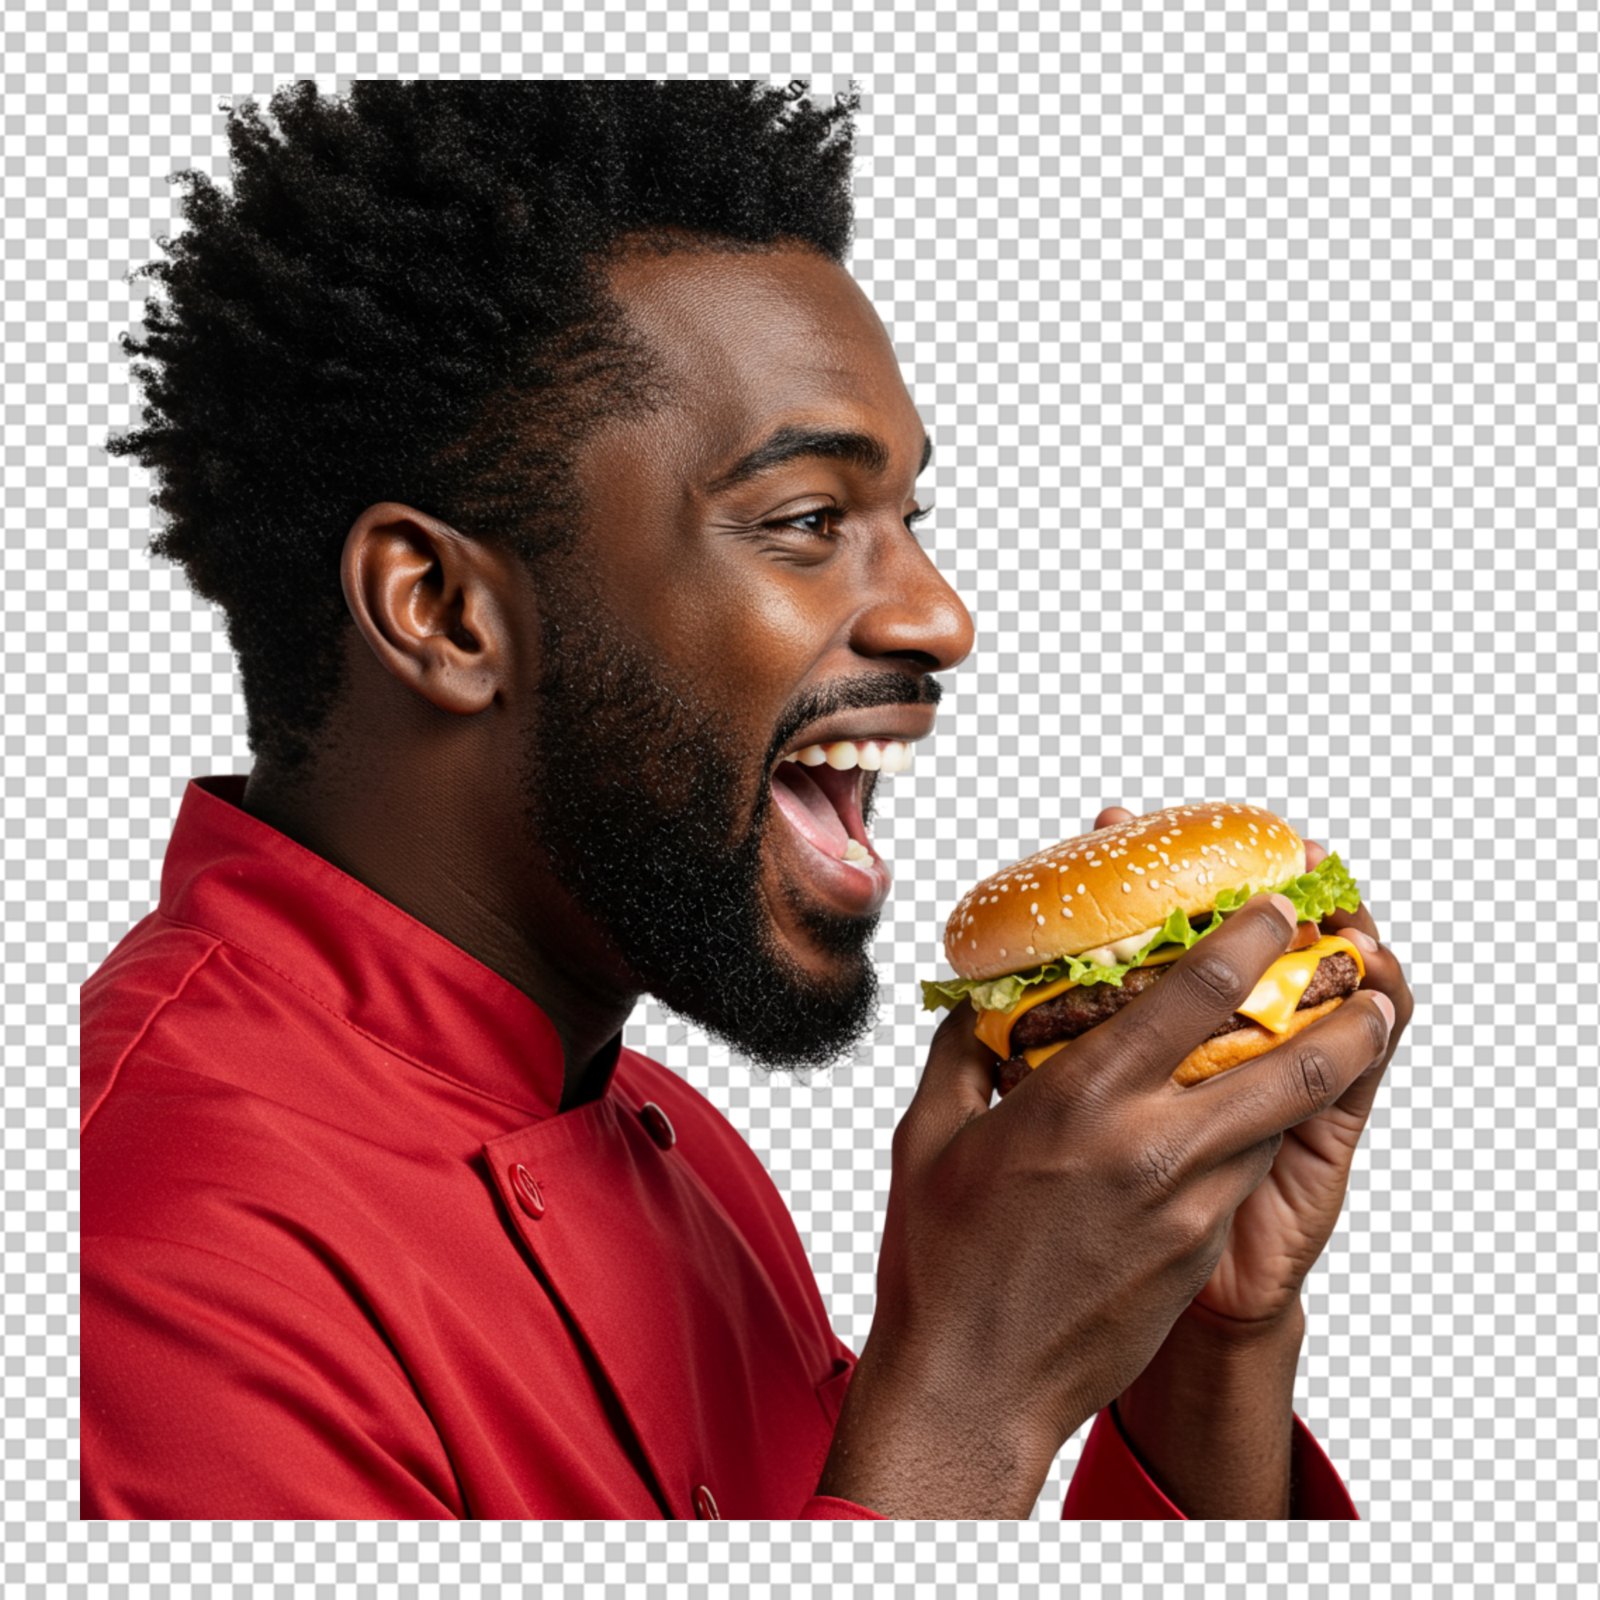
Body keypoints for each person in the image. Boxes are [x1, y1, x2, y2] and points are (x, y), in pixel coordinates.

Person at [80, 78, 1412, 1520]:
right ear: (445, 611)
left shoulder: (676, 1145)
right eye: (808, 520)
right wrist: (968, 1394)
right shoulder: (141, 1244)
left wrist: (1203, 1346)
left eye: (909, 518)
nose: (941, 617)